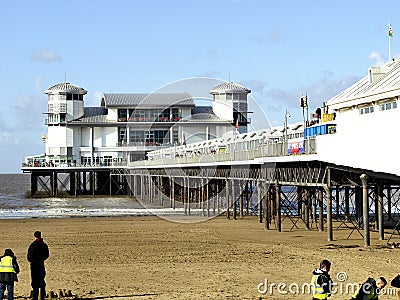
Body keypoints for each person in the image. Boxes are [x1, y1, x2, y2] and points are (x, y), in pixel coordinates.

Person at [27, 231, 49, 300]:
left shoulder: (33, 245)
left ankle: (35, 297)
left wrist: (34, 260)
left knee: (35, 281)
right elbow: (47, 255)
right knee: (42, 280)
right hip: (41, 264)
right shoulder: (44, 245)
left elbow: (29, 257)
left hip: (34, 265)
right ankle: (42, 296)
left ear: (35, 236)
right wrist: (41, 259)